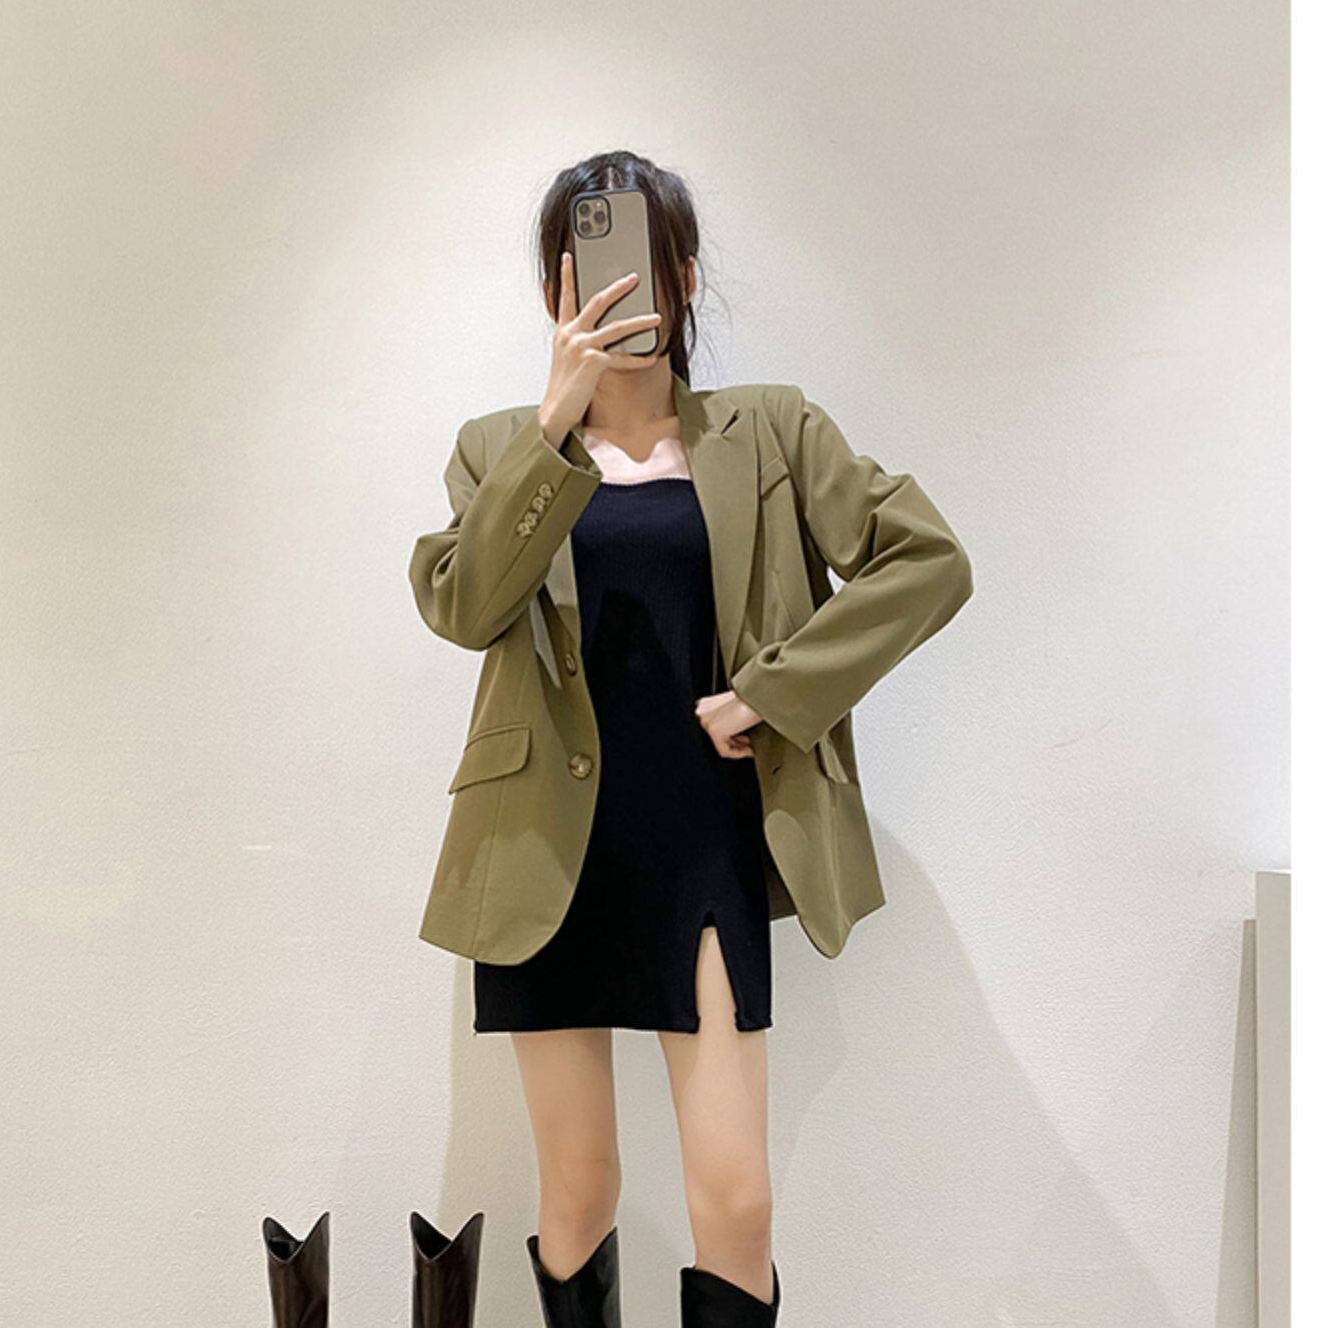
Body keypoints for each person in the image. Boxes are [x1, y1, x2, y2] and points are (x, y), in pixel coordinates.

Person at [409, 151, 974, 1328]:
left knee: (738, 1203)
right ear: (557, 292)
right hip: (544, 854)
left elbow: (928, 559)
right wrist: (553, 429)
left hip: (703, 845)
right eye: (588, 266)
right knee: (578, 1189)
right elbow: (465, 607)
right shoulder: (499, 446)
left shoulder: (770, 431)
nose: (623, 288)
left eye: (647, 260)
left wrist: (775, 691)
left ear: (686, 274)